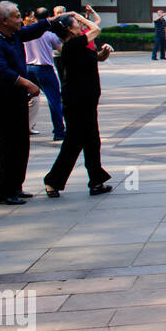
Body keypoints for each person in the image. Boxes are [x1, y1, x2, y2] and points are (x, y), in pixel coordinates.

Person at [0, 2, 53, 204]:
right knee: (8, 146)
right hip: (2, 98)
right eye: (16, 16)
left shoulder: (14, 36)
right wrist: (26, 83)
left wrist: (51, 21)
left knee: (22, 144)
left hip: (17, 98)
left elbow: (32, 30)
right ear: (4, 21)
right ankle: (4, 192)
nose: (20, 20)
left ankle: (16, 186)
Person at [42, 13, 113, 197]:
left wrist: (104, 53)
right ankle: (52, 181)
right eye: (77, 24)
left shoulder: (79, 45)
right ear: (68, 29)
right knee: (73, 143)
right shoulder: (71, 44)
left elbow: (96, 58)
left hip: (87, 100)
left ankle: (96, 182)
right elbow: (96, 29)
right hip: (76, 101)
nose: (81, 26)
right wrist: (80, 16)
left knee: (92, 141)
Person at [23, 11, 65, 141]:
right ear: (48, 18)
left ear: (35, 17)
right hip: (45, 69)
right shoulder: (49, 35)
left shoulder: (26, 33)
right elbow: (62, 50)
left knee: (25, 99)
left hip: (28, 68)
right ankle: (59, 132)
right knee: (54, 100)